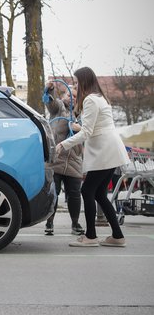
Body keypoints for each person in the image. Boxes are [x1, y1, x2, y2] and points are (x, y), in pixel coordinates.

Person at [57, 67, 130, 247]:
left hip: (104, 151)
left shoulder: (90, 100)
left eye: (76, 82)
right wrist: (79, 128)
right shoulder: (100, 98)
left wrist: (63, 144)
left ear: (84, 81)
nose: (74, 86)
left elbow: (88, 132)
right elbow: (95, 128)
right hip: (110, 150)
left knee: (87, 191)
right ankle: (117, 236)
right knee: (99, 194)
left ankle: (90, 237)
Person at [42, 80, 84, 236]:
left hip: (74, 161)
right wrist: (50, 89)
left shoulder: (83, 115)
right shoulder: (59, 108)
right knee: (54, 192)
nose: (70, 98)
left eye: (74, 96)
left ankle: (75, 223)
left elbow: (89, 133)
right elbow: (51, 103)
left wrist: (79, 128)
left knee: (74, 194)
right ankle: (49, 222)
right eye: (68, 94)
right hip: (56, 159)